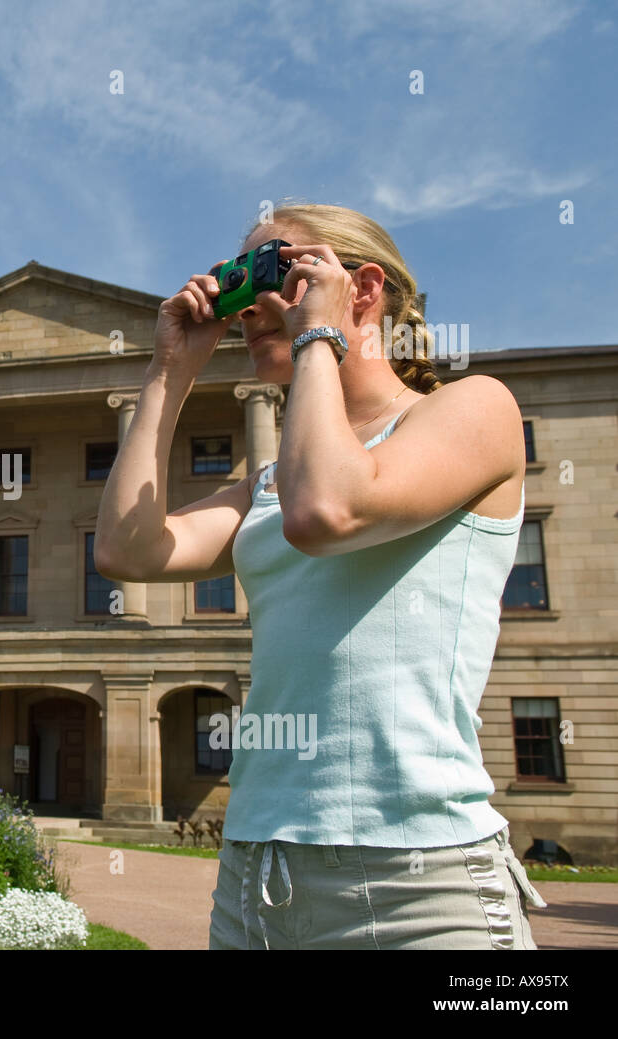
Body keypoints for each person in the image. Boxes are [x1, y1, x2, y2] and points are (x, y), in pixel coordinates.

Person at [94, 203, 547, 949]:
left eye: (276, 272)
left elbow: (328, 512)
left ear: (361, 289)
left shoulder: (475, 408)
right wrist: (168, 371)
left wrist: (316, 338)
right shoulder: (270, 480)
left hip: (420, 882)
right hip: (256, 877)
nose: (248, 306)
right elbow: (128, 550)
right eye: (238, 285)